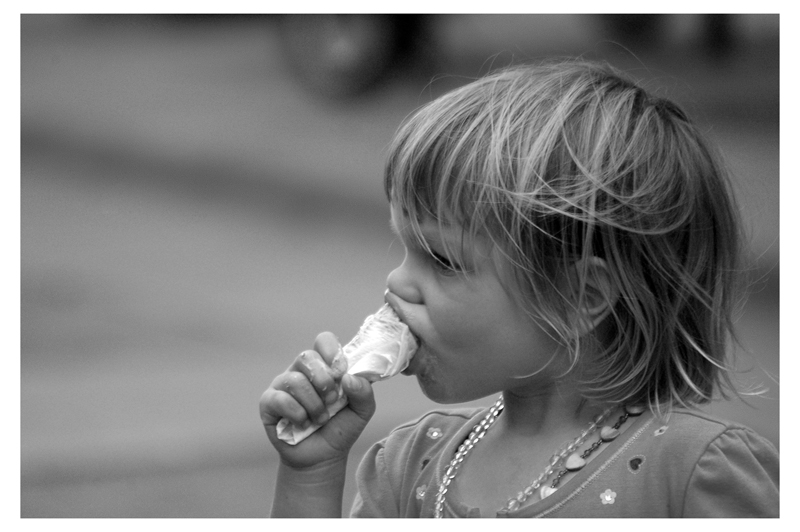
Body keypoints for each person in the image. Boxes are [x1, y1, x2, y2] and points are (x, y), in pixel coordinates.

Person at [259, 59, 779, 518]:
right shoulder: (407, 466)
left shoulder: (691, 474)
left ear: (582, 298)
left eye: (443, 259)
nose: (397, 282)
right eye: (405, 249)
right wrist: (312, 472)